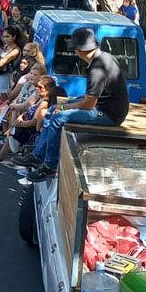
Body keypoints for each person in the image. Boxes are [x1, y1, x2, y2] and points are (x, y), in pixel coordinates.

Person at [17, 28, 129, 182]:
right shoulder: (105, 57)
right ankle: (38, 155)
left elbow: (88, 104)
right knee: (52, 109)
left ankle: (49, 166)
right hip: (107, 106)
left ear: (79, 50)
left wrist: (64, 107)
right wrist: (62, 107)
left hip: (108, 114)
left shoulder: (97, 69)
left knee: (57, 118)